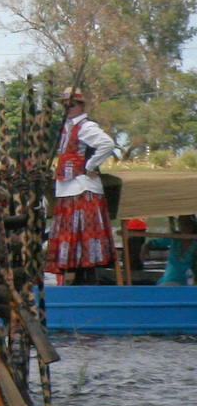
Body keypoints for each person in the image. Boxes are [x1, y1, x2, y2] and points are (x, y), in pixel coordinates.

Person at [47, 89, 117, 283]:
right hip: (68, 189)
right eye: (65, 105)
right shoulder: (67, 127)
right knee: (73, 240)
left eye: (72, 104)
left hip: (82, 189)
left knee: (85, 238)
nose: (67, 108)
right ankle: (76, 279)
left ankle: (87, 280)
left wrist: (89, 165)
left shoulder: (85, 127)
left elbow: (107, 144)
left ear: (81, 106)